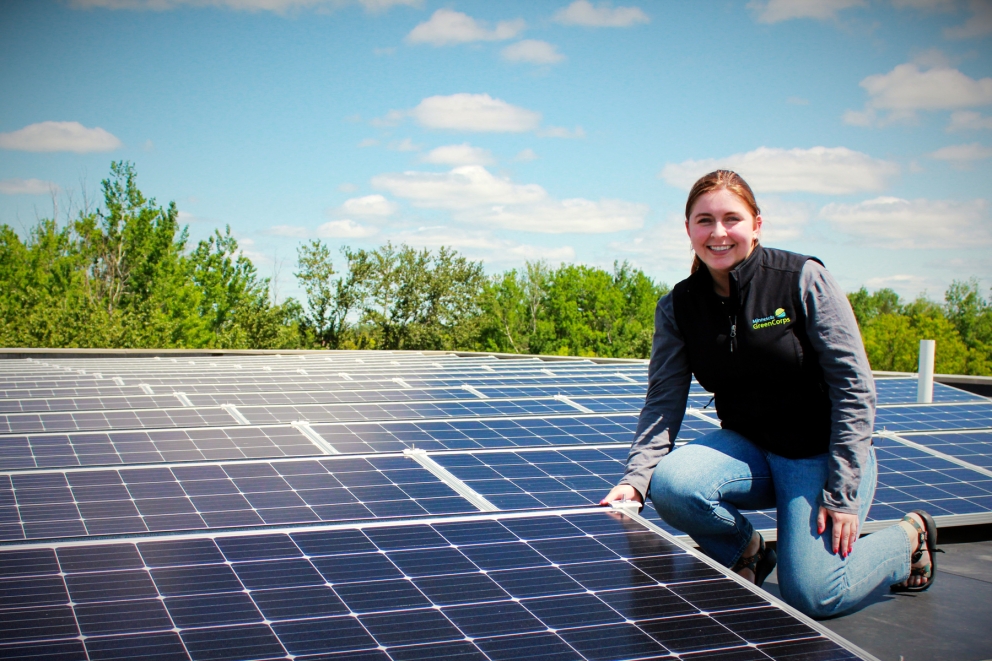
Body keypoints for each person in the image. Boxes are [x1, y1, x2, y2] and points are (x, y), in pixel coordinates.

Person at [601, 170, 941, 619]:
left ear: (756, 225)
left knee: (815, 595)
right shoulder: (679, 306)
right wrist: (635, 478)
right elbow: (664, 397)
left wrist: (842, 492)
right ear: (688, 230)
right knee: (672, 484)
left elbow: (854, 389)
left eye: (731, 219)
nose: (718, 233)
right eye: (705, 220)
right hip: (750, 449)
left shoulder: (800, 279)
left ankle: (910, 539)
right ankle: (749, 552)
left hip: (817, 455)